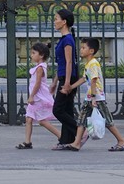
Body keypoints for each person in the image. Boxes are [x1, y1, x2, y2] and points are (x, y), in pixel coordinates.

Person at [69, 37, 124, 152]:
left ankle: (121, 140)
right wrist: (71, 87)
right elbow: (84, 78)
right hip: (90, 96)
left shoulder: (93, 64)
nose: (81, 50)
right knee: (81, 119)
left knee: (106, 119)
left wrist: (93, 98)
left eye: (83, 48)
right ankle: (76, 143)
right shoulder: (88, 64)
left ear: (91, 51)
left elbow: (94, 80)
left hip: (96, 97)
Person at [16, 41, 60, 149]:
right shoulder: (39, 66)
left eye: (33, 53)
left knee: (42, 121)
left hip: (38, 98)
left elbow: (37, 84)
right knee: (29, 118)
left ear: (41, 55)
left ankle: (61, 136)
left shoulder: (40, 68)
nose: (31, 55)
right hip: (36, 97)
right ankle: (27, 142)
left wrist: (31, 96)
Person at [50, 8, 81, 151]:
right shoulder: (64, 39)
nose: (54, 21)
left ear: (64, 22)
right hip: (64, 76)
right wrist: (55, 81)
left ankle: (80, 132)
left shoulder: (68, 39)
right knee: (67, 110)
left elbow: (69, 62)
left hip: (68, 78)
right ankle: (66, 141)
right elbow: (61, 63)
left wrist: (67, 83)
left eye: (56, 19)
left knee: (58, 110)